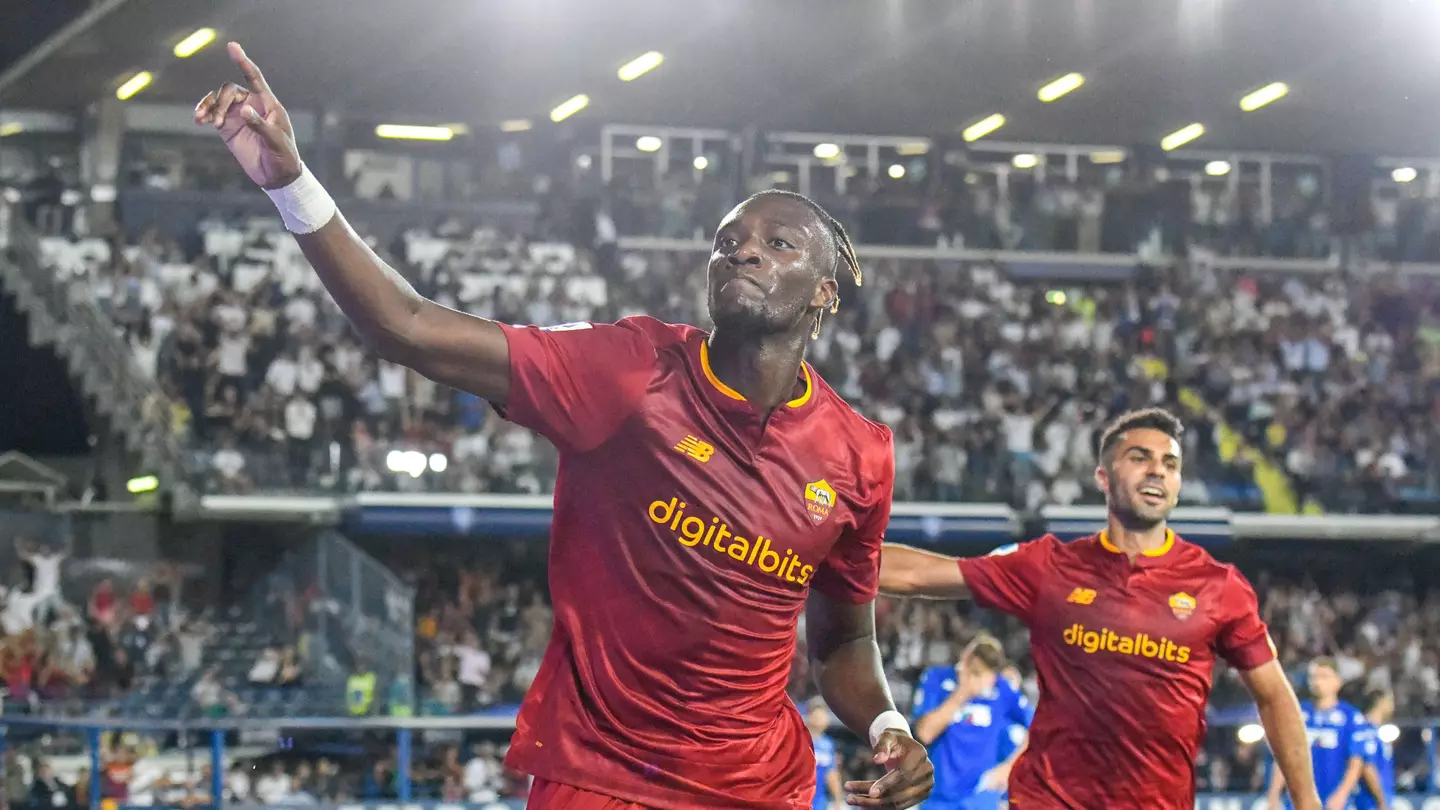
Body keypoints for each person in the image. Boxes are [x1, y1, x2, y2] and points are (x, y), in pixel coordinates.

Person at [195, 42, 933, 810]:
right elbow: (407, 327)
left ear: (824, 294)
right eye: (727, 242)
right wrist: (293, 187)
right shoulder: (626, 372)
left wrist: (888, 720)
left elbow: (845, 638)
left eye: (776, 244)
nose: (742, 250)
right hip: (603, 782)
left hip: (762, 788)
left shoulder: (860, 455)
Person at [878, 408, 1320, 810]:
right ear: (1104, 477)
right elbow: (921, 574)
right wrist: (821, 550)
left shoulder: (1218, 586)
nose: (1157, 472)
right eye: (1140, 458)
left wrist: (1308, 803)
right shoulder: (1049, 566)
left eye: (1170, 464)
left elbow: (1274, 695)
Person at [912, 635, 1032, 810]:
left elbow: (1039, 726)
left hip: (981, 798)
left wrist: (1009, 767)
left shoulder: (1002, 689)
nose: (980, 678)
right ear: (963, 662)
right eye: (974, 670)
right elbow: (924, 733)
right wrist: (962, 693)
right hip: (938, 797)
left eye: (987, 671)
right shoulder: (937, 679)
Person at [1270, 659, 1368, 810]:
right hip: (1298, 802)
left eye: (1324, 676)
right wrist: (1274, 794)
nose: (1317, 682)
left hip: (1334, 801)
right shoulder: (1297, 714)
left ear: (1337, 682)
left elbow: (1356, 762)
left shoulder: (1351, 717)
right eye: (1313, 677)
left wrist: (1342, 794)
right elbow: (1285, 757)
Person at [1353, 689, 1394, 810]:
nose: (1393, 705)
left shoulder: (1378, 731)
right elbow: (1368, 767)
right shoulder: (1367, 731)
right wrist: (1381, 800)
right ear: (1381, 702)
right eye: (1390, 700)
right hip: (1369, 802)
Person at [806, 699, 843, 810]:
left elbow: (832, 774)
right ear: (809, 717)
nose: (820, 719)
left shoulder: (828, 745)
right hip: (797, 800)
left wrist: (838, 802)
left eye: (823, 716)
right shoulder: (798, 741)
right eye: (817, 716)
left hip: (819, 803)